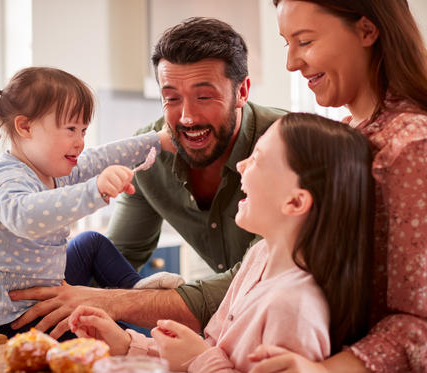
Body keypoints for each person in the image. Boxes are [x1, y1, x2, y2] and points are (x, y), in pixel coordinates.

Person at [9, 17, 287, 339]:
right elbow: (118, 257)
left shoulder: (290, 146)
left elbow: (257, 281)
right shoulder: (148, 153)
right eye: (171, 97)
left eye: (204, 97)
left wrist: (110, 302)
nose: (186, 117)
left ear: (242, 91)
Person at [69, 112, 374, 372]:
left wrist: (200, 359)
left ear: (295, 202)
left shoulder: (293, 310)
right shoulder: (259, 255)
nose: (241, 166)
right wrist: (127, 345)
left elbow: (203, 357)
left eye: (258, 160)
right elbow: (210, 349)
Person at [248, 1, 427, 372]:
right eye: (288, 44)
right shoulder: (350, 134)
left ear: (366, 31)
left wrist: (325, 370)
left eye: (306, 41)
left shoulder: (410, 147)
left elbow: (419, 321)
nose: (291, 63)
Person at [0, 67, 182, 338]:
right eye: (70, 129)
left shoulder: (55, 169)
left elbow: (101, 156)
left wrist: (156, 141)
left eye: (83, 130)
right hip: (9, 316)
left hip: (45, 288)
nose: (80, 142)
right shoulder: (5, 177)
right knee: (102, 338)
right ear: (25, 126)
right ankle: (130, 342)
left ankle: (135, 289)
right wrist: (94, 191)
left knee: (91, 241)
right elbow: (25, 218)